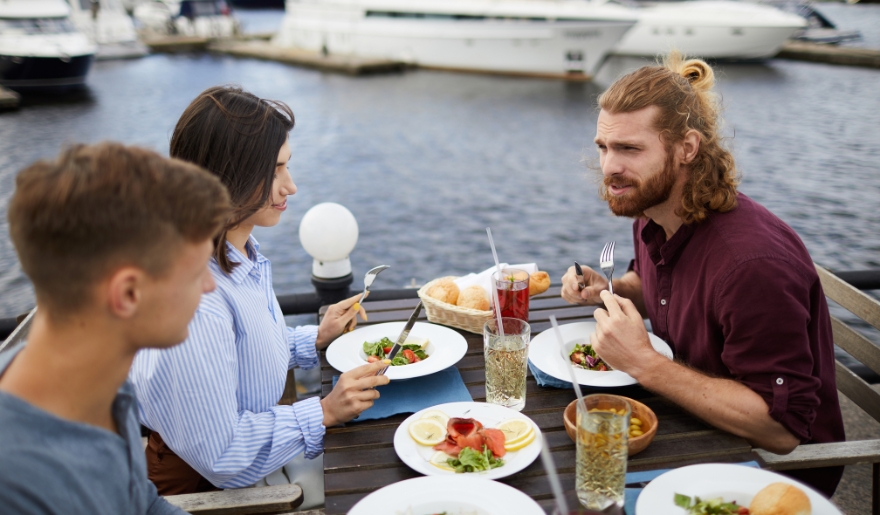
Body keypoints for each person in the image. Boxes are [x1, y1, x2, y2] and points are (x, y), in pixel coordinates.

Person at [560, 52, 845, 497]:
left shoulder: (752, 265)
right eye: (604, 147)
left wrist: (644, 363)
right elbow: (658, 287)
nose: (609, 167)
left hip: (766, 477)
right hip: (690, 424)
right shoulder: (653, 210)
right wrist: (608, 289)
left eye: (630, 149)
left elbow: (781, 431)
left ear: (687, 148)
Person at [129, 85, 390, 507]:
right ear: (228, 174)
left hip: (249, 461)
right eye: (276, 170)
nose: (291, 186)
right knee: (381, 472)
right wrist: (323, 411)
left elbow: (241, 356)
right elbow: (222, 455)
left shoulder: (237, 251)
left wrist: (314, 339)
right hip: (207, 491)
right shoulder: (196, 301)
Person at [0, 142, 231, 514]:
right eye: (196, 271)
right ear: (127, 293)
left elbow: (140, 502)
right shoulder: (15, 484)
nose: (210, 286)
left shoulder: (105, 379)